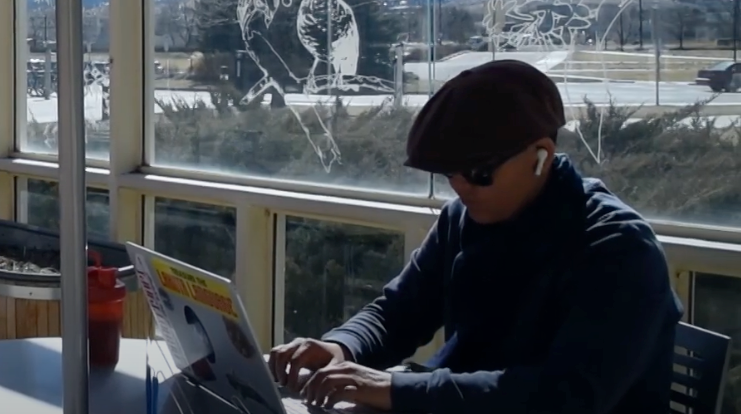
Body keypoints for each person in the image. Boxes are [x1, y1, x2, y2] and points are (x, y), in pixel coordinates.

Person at [265, 60, 680, 414]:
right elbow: (400, 312)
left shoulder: (617, 248)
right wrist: (341, 348)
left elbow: (564, 396)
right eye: (449, 173)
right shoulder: (464, 217)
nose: (461, 188)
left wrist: (393, 389)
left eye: (480, 173)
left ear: (541, 155)